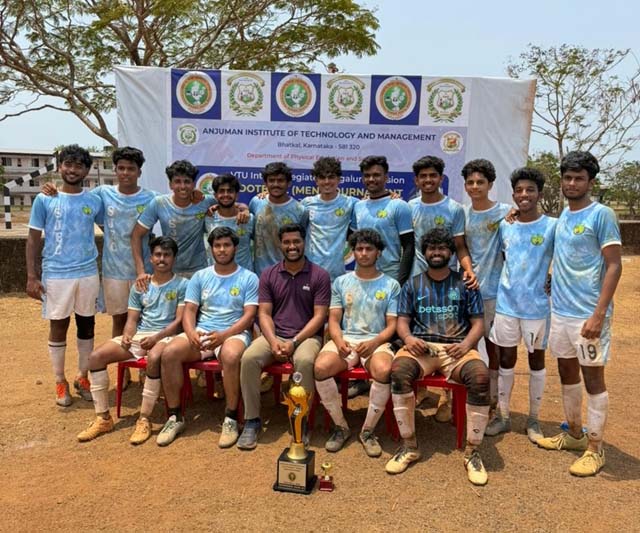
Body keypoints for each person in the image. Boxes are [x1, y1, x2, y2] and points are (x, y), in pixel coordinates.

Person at [537, 151, 622, 477]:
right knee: (566, 371)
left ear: (591, 182)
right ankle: (574, 434)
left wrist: (598, 315)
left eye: (579, 178)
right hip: (560, 311)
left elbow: (614, 265)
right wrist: (552, 277)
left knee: (593, 378)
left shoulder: (602, 215)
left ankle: (595, 448)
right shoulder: (564, 215)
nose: (572, 183)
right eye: (568, 178)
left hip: (588, 315)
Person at [386, 228, 491, 486]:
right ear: (424, 252)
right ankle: (409, 446)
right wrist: (408, 339)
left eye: (442, 248)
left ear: (451, 253)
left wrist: (466, 344)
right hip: (422, 348)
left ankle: (473, 452)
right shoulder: (413, 284)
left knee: (480, 377)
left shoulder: (466, 284)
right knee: (399, 371)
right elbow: (402, 322)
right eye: (432, 248)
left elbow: (478, 323)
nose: (436, 252)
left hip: (457, 348)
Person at [76, 237, 187, 443]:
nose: (162, 259)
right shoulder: (141, 285)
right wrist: (128, 335)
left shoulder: (183, 285)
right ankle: (103, 418)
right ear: (151, 258)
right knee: (96, 357)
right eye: (158, 255)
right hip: (142, 335)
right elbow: (132, 319)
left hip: (167, 336)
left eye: (167, 255)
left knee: (154, 358)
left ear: (174, 258)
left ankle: (144, 418)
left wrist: (157, 337)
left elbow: (179, 321)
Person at [155, 227, 259, 447]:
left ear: (235, 248)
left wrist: (224, 335)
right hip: (203, 330)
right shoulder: (200, 276)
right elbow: (190, 311)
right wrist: (191, 333)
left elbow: (249, 316)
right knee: (170, 353)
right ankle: (175, 416)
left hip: (233, 332)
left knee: (231, 356)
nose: (222, 250)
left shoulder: (249, 278)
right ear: (211, 248)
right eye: (217, 245)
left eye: (226, 245)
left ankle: (231, 417)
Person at [41, 147, 156, 338]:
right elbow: (75, 196)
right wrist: (54, 190)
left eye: (131, 169)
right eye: (121, 168)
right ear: (115, 170)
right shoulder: (102, 193)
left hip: (144, 271)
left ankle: (144, 358)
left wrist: (197, 198)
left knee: (146, 319)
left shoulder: (152, 198)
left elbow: (176, 203)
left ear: (139, 172)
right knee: (119, 319)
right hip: (113, 271)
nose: (125, 173)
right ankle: (120, 358)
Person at [238, 223, 331, 450]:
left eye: (296, 241)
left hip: (307, 337)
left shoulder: (319, 275)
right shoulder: (269, 274)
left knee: (305, 361)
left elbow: (319, 317)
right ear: (280, 245)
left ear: (304, 242)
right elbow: (264, 313)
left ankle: (301, 422)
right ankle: (252, 420)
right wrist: (273, 341)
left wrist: (295, 341)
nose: (292, 246)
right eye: (287, 242)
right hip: (275, 335)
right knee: (249, 358)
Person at [26, 144, 104, 406]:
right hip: (56, 273)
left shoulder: (94, 200)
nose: (72, 170)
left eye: (79, 165)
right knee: (59, 325)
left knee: (87, 324)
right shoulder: (45, 199)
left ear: (87, 170)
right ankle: (60, 381)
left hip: (87, 271)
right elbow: (33, 238)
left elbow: (110, 227)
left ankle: (82, 376)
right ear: (59, 167)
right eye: (68, 164)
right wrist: (32, 276)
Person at [485, 167, 556, 443]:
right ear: (513, 194)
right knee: (505, 360)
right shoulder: (506, 225)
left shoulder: (552, 226)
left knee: (536, 360)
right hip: (506, 305)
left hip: (536, 307)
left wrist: (553, 278)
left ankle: (534, 419)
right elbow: (505, 258)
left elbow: (563, 258)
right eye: (519, 190)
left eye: (530, 190)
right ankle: (503, 417)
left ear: (539, 194)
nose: (524, 194)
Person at [314, 229, 400, 456]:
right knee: (320, 368)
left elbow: (392, 325)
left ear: (378, 252)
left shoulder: (391, 284)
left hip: (377, 342)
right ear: (353, 252)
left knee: (383, 370)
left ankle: (368, 431)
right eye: (359, 249)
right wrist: (338, 341)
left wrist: (374, 342)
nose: (363, 253)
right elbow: (333, 320)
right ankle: (341, 427)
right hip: (346, 340)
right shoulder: (341, 282)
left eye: (369, 249)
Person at [409, 155, 478, 422]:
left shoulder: (454, 209)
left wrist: (467, 270)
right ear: (416, 180)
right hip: (418, 283)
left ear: (441, 178)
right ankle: (421, 390)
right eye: (423, 176)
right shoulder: (408, 207)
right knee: (419, 337)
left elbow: (460, 246)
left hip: (447, 282)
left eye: (433, 175)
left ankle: (447, 398)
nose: (428, 180)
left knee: (448, 335)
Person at [462, 158, 512, 410]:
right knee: (466, 344)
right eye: (470, 182)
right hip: (468, 291)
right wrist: (469, 271)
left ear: (490, 184)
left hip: (495, 292)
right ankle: (464, 395)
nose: (475, 186)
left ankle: (493, 397)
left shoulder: (506, 212)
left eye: (480, 182)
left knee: (494, 347)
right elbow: (460, 247)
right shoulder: (462, 214)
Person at [131, 160, 216, 282]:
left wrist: (242, 209)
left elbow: (230, 204)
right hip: (169, 270)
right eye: (177, 181)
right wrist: (141, 272)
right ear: (170, 184)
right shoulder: (159, 203)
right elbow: (136, 235)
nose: (182, 186)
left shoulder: (204, 201)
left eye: (187, 181)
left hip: (198, 271)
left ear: (193, 184)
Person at [353, 155, 414, 285]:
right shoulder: (358, 206)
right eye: (367, 175)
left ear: (386, 177)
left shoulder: (399, 206)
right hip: (362, 278)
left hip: (390, 277)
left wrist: (400, 282)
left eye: (376, 175)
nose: (371, 179)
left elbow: (408, 247)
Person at [301, 157, 358, 281]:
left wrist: (391, 195)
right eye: (322, 177)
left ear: (339, 179)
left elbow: (372, 202)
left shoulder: (351, 203)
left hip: (337, 274)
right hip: (310, 273)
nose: (327, 182)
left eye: (331, 177)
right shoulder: (306, 204)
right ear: (316, 180)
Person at [249, 162, 308, 276]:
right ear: (265, 183)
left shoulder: (300, 210)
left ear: (289, 183)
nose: (276, 184)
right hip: (260, 274)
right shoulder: (256, 202)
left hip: (289, 274)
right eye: (271, 180)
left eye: (280, 180)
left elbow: (301, 241)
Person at [205, 173, 255, 272]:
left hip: (244, 277)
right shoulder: (208, 218)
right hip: (215, 277)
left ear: (237, 195)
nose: (226, 195)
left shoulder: (249, 219)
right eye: (221, 191)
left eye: (230, 191)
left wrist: (245, 209)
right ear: (215, 196)